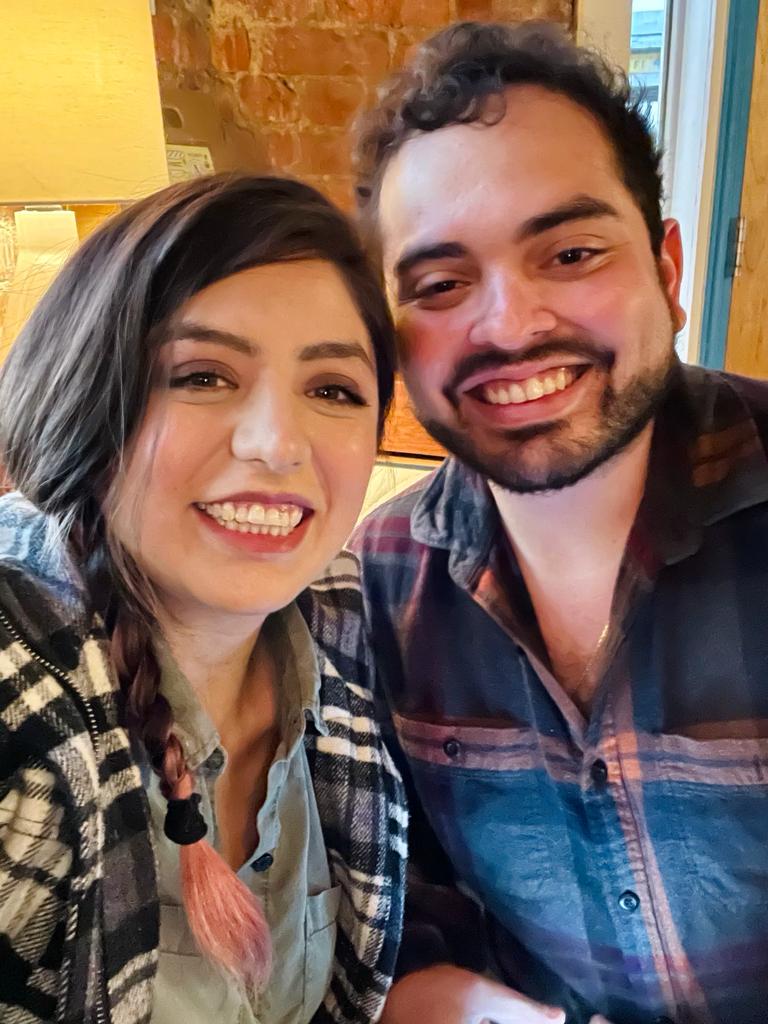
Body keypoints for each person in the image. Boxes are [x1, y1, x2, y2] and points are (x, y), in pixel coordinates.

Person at [348, 20, 768, 1024]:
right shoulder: (377, 582)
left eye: (571, 252)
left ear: (667, 270)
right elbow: (406, 906)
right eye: (441, 284)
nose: (510, 324)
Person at [0, 174, 406, 1024]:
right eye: (203, 375)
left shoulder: (356, 642)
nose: (276, 444)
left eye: (332, 389)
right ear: (85, 397)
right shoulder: (20, 694)